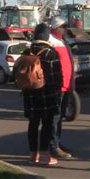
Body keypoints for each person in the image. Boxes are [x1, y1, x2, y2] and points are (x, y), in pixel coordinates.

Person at [21, 23, 63, 165]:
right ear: (46, 36)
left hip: (30, 94)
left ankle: (33, 154)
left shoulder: (27, 52)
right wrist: (57, 92)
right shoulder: (50, 53)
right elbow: (57, 76)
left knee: (33, 123)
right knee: (47, 124)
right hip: (47, 95)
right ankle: (45, 155)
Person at [48, 16, 74, 159]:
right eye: (64, 27)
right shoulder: (51, 42)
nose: (66, 29)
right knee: (54, 117)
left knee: (59, 118)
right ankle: (53, 146)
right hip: (57, 86)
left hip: (65, 85)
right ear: (57, 28)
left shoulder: (63, 42)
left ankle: (57, 142)